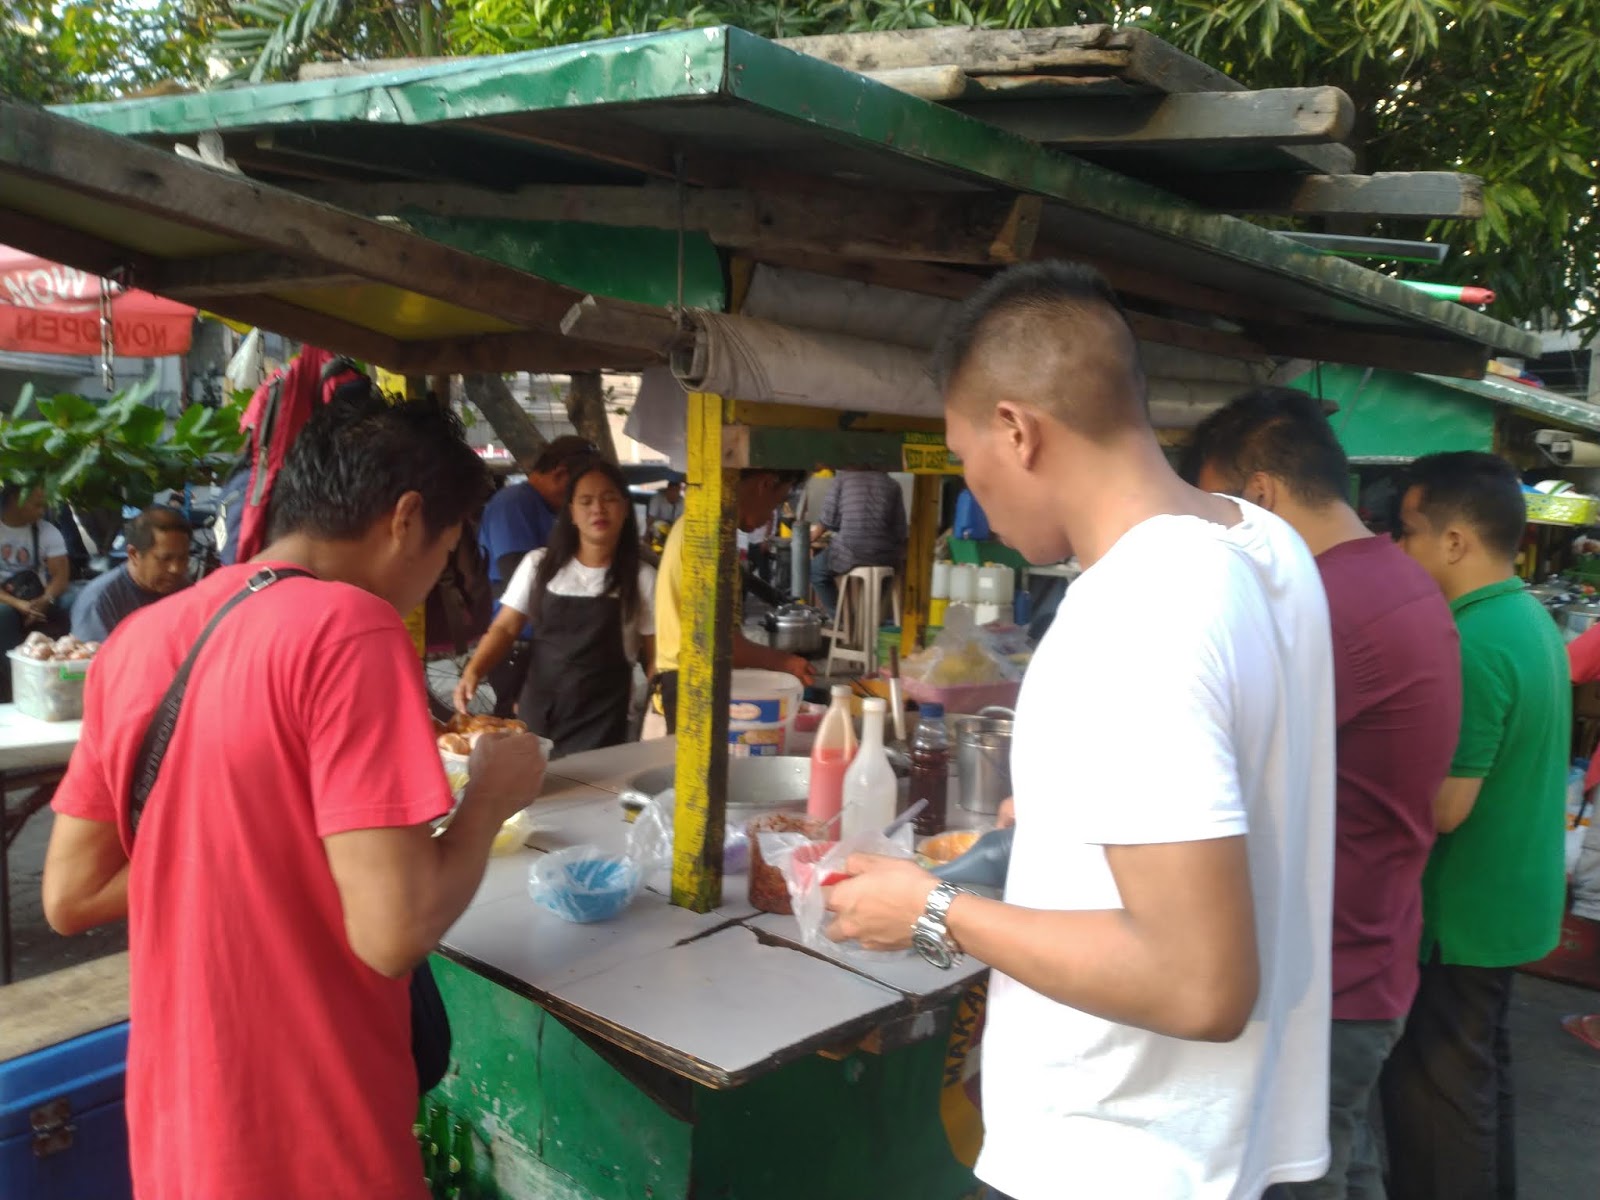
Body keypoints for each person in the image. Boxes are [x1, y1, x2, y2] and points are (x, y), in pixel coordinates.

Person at [824, 261, 1337, 1200]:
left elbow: (1200, 986)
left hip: (1115, 1161)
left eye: (966, 456)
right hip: (1225, 1140)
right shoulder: (1266, 546)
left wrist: (932, 913)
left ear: (1016, 430)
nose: (975, 488)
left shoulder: (1133, 613)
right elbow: (1235, 793)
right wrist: (1063, 823)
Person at [41, 394, 548, 1200]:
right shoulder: (352, 628)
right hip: (313, 1135)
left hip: (180, 1127)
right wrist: (490, 796)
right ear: (406, 519)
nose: (434, 584)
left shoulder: (138, 641)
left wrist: (257, 832)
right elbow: (394, 931)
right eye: (447, 551)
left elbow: (70, 895)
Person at [1188, 388, 1462, 1200]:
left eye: (1213, 514)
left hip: (1324, 979)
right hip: (1370, 947)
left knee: (1302, 1175)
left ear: (1260, 494)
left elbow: (1209, 776)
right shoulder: (1397, 578)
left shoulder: (1324, 607)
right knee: (1343, 1160)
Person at [1382, 451, 1568, 1200]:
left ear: (1455, 540)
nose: (1398, 549)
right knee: (1477, 1084)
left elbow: (1446, 807)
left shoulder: (1473, 642)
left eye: (1407, 532)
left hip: (1462, 916)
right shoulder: (1524, 616)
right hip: (1507, 904)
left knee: (1437, 1101)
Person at [454, 458, 655, 758]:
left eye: (609, 499)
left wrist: (653, 713)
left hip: (604, 721)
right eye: (586, 501)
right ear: (571, 511)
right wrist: (474, 669)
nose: (598, 509)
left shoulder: (642, 578)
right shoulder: (539, 565)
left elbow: (655, 658)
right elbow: (505, 627)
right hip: (539, 712)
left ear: (625, 508)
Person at [654, 468, 814, 733]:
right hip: (692, 683)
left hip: (692, 678)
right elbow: (718, 642)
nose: (770, 516)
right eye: (776, 503)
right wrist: (783, 662)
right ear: (765, 484)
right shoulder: (707, 536)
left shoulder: (703, 525)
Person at [477, 435, 597, 715]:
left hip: (547, 642)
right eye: (578, 492)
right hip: (519, 644)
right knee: (520, 729)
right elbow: (517, 574)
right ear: (560, 474)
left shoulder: (549, 509)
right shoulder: (515, 503)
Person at [71, 506, 193, 643]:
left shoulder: (183, 588)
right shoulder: (100, 602)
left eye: (183, 558)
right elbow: (94, 654)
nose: (176, 569)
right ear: (134, 554)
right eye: (165, 559)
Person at [810, 468, 908, 616]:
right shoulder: (892, 484)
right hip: (883, 556)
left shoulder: (843, 479)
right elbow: (900, 531)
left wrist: (811, 536)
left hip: (850, 552)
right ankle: (876, 620)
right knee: (888, 572)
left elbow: (829, 519)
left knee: (815, 570)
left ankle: (840, 618)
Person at [0, 484, 75, 653]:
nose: (42, 511)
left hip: (35, 595)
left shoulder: (47, 531)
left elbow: (60, 576)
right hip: (5, 599)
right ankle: (12, 665)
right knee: (3, 613)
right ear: (16, 500)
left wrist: (46, 599)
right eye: (37, 505)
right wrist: (18, 604)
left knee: (73, 599)